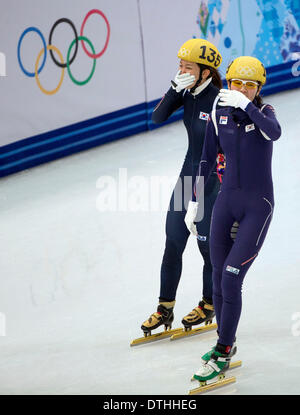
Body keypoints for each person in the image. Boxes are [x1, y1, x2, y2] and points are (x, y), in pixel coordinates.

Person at [184, 56, 281, 383]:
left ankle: (223, 351)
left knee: (230, 278)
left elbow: (274, 133)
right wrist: (194, 201)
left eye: (249, 85)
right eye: (236, 83)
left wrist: (248, 105)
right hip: (226, 203)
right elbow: (206, 159)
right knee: (216, 278)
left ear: (258, 89)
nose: (241, 89)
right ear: (227, 83)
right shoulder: (218, 114)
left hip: (258, 206)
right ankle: (225, 344)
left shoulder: (265, 113)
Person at [141, 38, 224, 336]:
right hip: (186, 177)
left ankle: (209, 303)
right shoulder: (184, 92)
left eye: (187, 67)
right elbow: (156, 117)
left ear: (205, 72)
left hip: (212, 182)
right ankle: (165, 308)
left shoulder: (220, 99)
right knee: (173, 241)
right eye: (180, 65)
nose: (182, 70)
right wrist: (175, 88)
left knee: (207, 249)